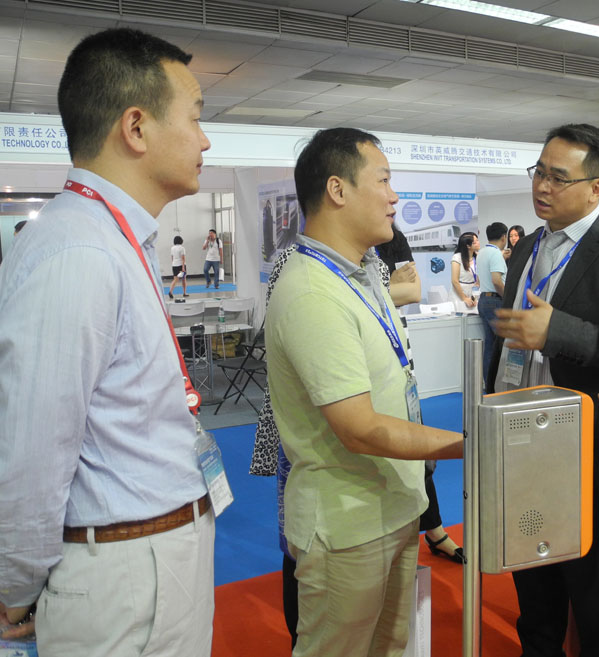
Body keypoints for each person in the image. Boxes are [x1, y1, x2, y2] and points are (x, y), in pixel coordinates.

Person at [0, 27, 215, 656]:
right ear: (136, 128)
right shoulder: (78, 250)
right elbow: (34, 446)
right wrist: (16, 588)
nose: (204, 140)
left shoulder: (110, 237)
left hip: (147, 559)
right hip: (125, 574)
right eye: (195, 117)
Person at [266, 127, 463, 657]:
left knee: (388, 647)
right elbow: (359, 428)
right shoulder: (312, 290)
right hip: (348, 525)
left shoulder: (362, 274)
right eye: (384, 181)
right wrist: (468, 443)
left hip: (391, 508)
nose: (394, 197)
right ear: (337, 190)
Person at [487, 123, 599, 657]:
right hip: (519, 438)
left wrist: (558, 331)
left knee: (593, 589)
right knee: (532, 582)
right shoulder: (526, 247)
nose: (542, 186)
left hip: (591, 444)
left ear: (596, 188)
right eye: (539, 172)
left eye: (558, 178)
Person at [376, 223, 464, 563]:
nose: (391, 200)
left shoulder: (393, 238)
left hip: (399, 357)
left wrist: (374, 290)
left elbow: (412, 292)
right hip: (363, 364)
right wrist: (388, 286)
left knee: (419, 454)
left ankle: (434, 529)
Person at [476, 221, 507, 376]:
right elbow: (496, 281)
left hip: (483, 300)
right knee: (503, 344)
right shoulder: (496, 254)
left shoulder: (481, 253)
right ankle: (499, 381)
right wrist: (508, 297)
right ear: (504, 237)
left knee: (490, 345)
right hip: (495, 301)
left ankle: (489, 382)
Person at [450, 231, 479, 311]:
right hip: (459, 293)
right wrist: (464, 298)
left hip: (473, 293)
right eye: (475, 242)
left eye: (478, 240)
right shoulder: (457, 257)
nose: (478, 243)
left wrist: (474, 297)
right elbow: (454, 281)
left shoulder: (478, 256)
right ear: (468, 246)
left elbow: (478, 282)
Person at [168, 234, 188, 298]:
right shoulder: (182, 248)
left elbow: (172, 257)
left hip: (174, 265)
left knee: (175, 279)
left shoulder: (172, 248)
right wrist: (183, 267)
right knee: (183, 279)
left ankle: (170, 291)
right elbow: (183, 258)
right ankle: (184, 292)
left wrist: (173, 263)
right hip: (181, 265)